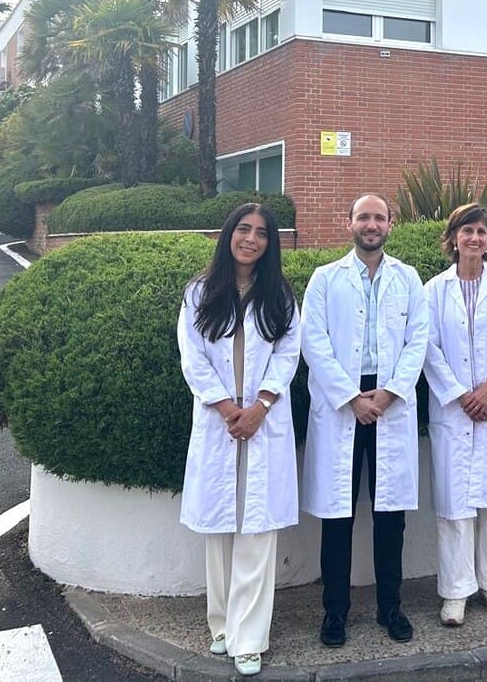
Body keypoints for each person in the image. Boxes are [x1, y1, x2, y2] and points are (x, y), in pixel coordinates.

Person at [177, 203, 301, 678]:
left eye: (262, 233)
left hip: (263, 421)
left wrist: (260, 406)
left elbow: (289, 354)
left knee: (257, 531)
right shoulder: (199, 293)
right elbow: (193, 359)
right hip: (220, 422)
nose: (251, 239)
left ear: (270, 244)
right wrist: (227, 408)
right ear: (229, 235)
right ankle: (223, 625)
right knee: (221, 529)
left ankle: (250, 638)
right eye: (244, 230)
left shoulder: (281, 296)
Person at [301, 194, 429, 646]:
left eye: (379, 217)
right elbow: (313, 342)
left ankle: (389, 607)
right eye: (363, 217)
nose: (371, 224)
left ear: (390, 224)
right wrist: (352, 397)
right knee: (338, 514)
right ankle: (334, 611)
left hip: (390, 399)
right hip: (344, 404)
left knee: (389, 513)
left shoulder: (408, 278)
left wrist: (391, 393)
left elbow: (419, 341)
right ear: (349, 222)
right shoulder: (324, 279)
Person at [422, 203, 487, 627]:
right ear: (453, 238)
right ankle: (455, 593)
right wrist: (459, 394)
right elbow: (428, 347)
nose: (475, 239)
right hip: (454, 411)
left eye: (482, 232)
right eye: (467, 231)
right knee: (455, 510)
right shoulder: (434, 290)